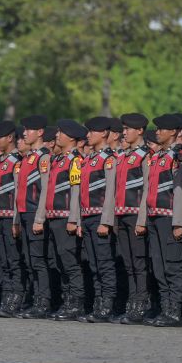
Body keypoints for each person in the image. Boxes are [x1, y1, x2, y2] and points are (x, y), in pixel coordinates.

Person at [139, 114, 182, 327]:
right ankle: (165, 308)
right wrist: (142, 219)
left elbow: (180, 191)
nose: (157, 132)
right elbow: (147, 190)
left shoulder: (178, 157)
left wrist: (179, 222)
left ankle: (175, 311)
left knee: (173, 266)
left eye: (162, 129)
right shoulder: (157, 156)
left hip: (170, 218)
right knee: (159, 267)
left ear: (173, 132)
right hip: (154, 216)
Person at [75, 116, 119, 323]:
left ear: (103, 134)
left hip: (100, 216)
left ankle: (107, 306)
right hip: (87, 216)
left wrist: (106, 220)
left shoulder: (109, 159)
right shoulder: (90, 159)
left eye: (92, 132)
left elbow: (111, 191)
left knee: (104, 263)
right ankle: (98, 304)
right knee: (93, 263)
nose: (88, 135)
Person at [47, 119, 87, 321]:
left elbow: (76, 190)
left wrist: (74, 218)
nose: (56, 136)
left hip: (65, 218)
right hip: (54, 216)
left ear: (71, 137)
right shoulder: (59, 160)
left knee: (70, 261)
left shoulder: (75, 160)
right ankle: (66, 300)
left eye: (60, 133)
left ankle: (76, 303)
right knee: (59, 262)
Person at [0, 121, 24, 317]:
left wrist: (17, 220)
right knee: (3, 261)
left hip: (10, 218)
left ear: (9, 138)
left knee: (14, 260)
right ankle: (6, 299)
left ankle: (16, 299)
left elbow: (18, 193)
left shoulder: (17, 162)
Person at [13, 115, 52, 318]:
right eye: (25, 130)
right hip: (23, 213)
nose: (25, 133)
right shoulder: (28, 158)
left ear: (40, 133)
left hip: (34, 213)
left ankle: (43, 302)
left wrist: (39, 218)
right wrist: (17, 220)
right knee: (28, 260)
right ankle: (34, 298)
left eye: (29, 130)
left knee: (38, 260)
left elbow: (45, 190)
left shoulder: (43, 157)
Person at [114, 113, 151, 324]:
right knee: (128, 263)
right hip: (121, 213)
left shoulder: (145, 155)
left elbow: (147, 187)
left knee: (139, 262)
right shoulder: (123, 155)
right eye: (124, 128)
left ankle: (141, 303)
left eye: (128, 129)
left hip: (136, 214)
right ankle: (132, 301)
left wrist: (142, 219)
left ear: (140, 131)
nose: (124, 132)